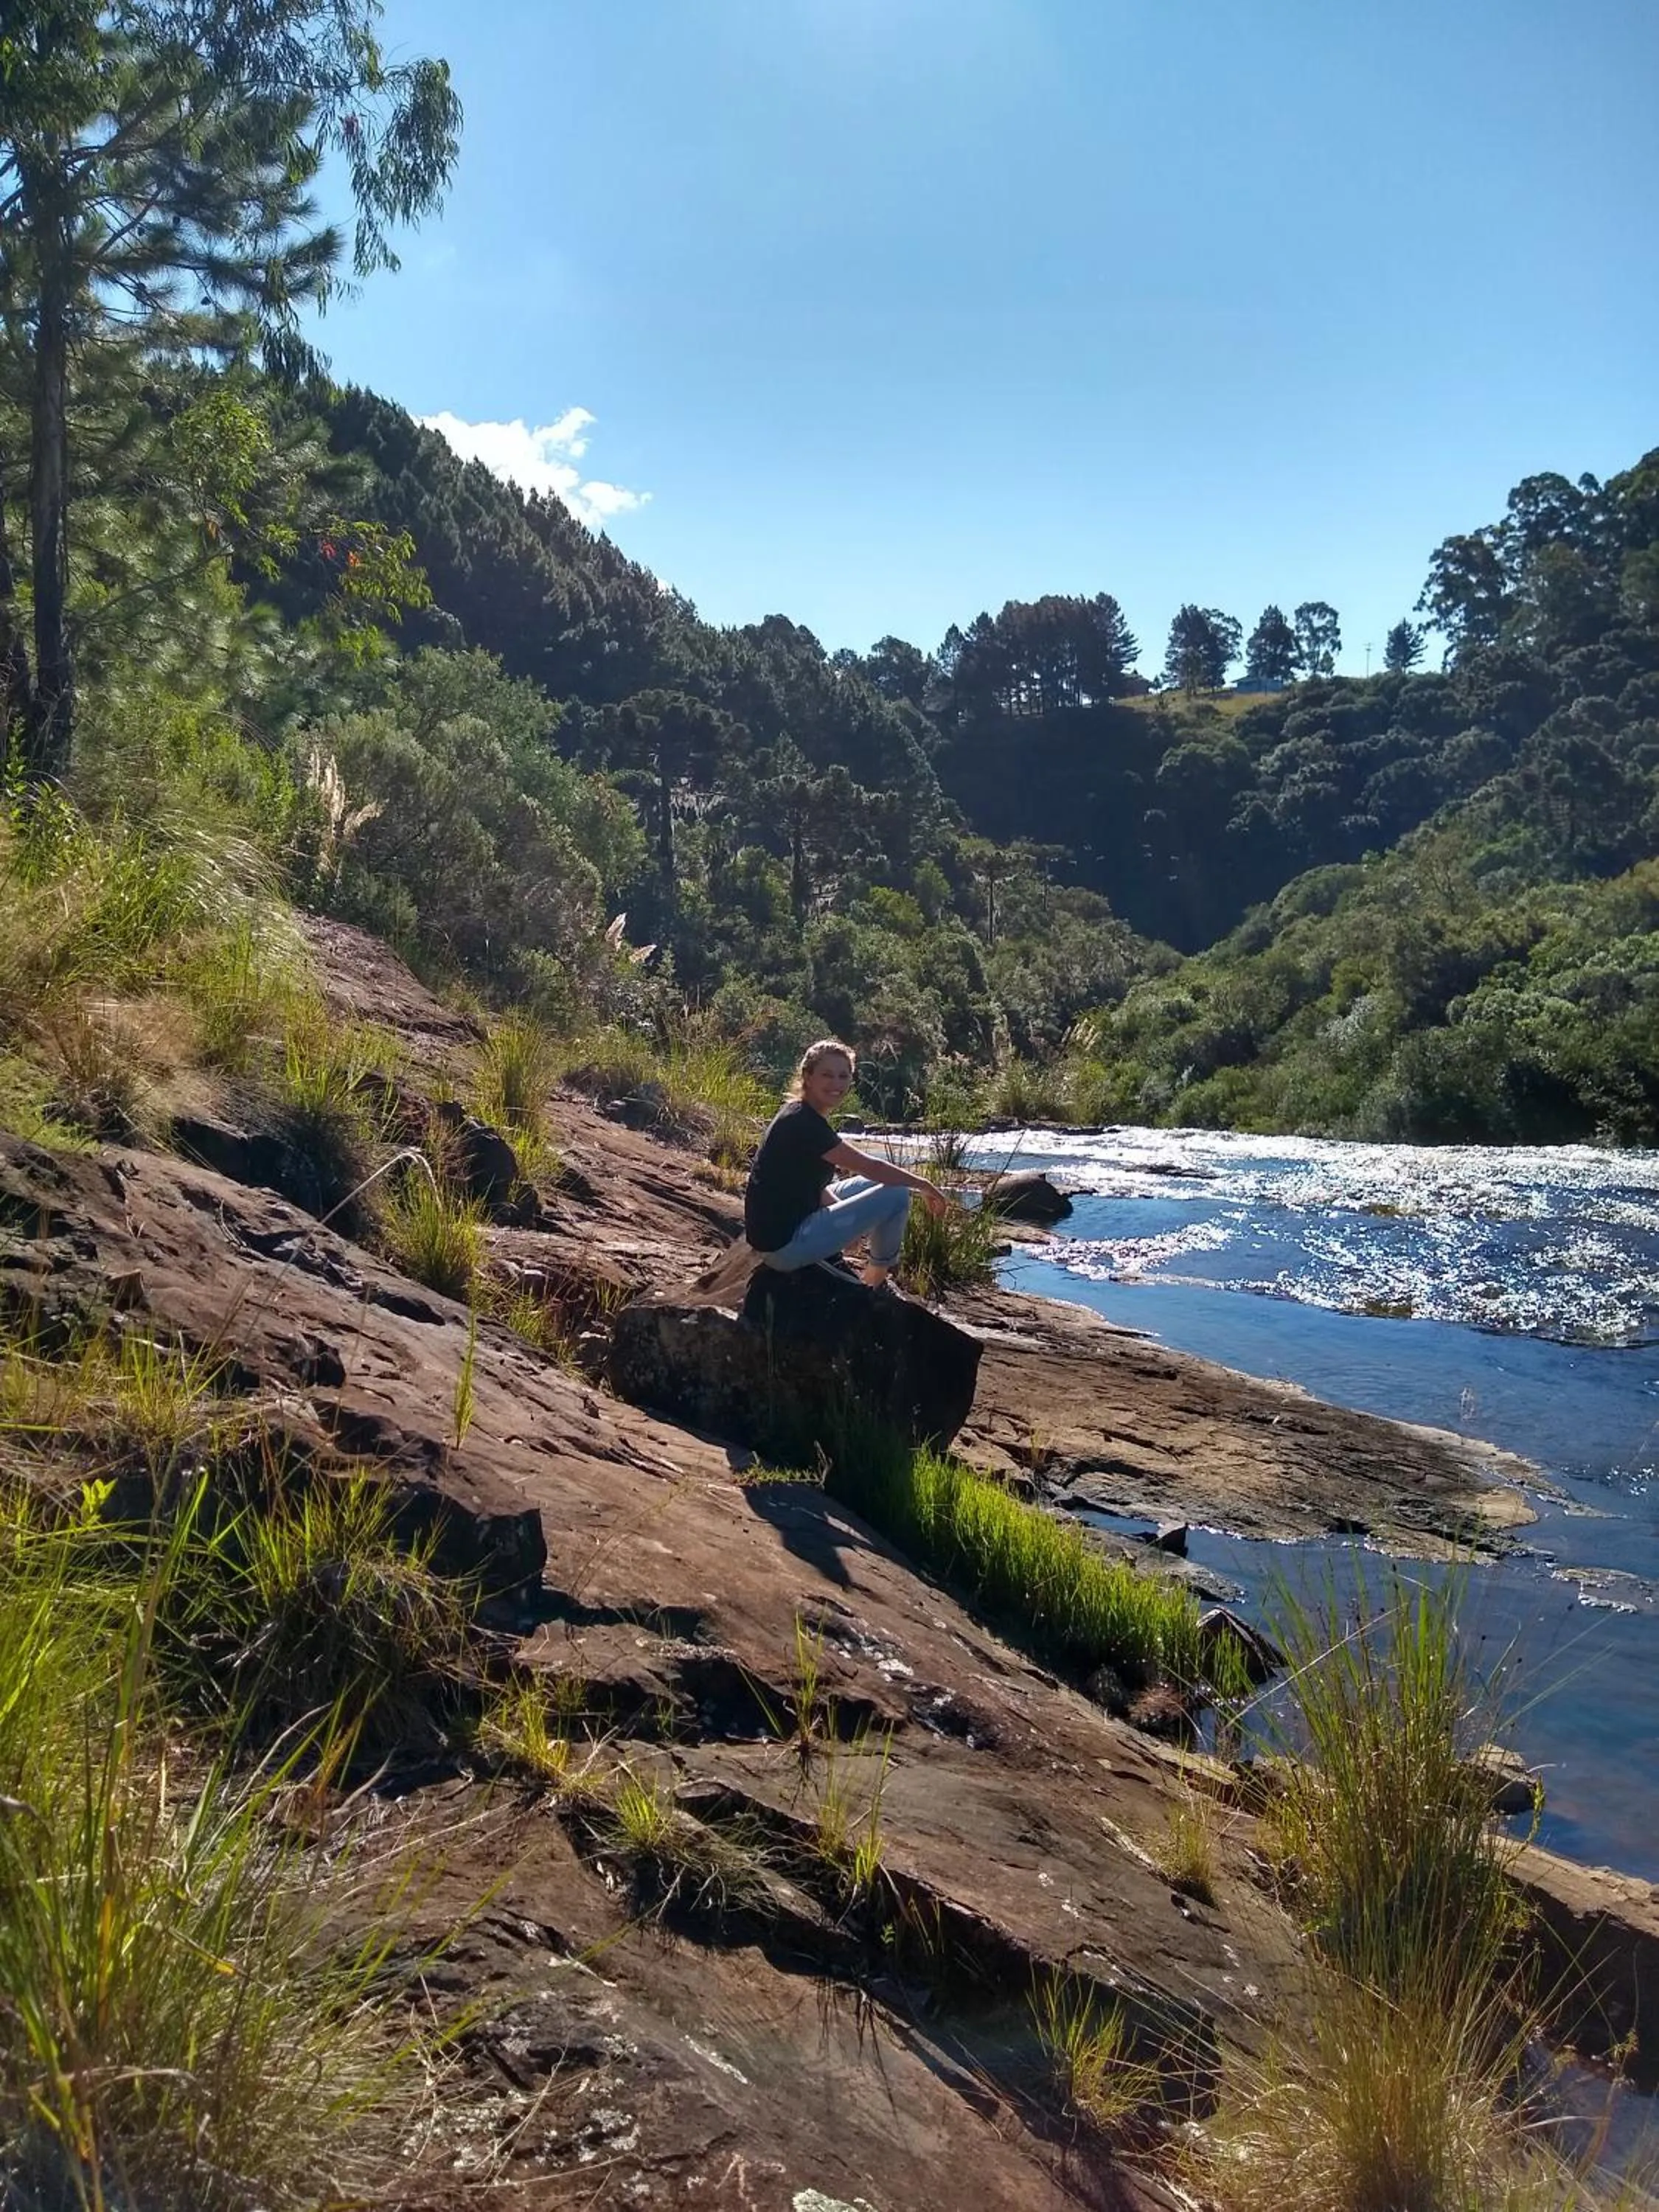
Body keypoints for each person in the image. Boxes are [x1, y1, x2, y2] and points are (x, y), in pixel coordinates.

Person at [743, 1038, 953, 1289]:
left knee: (878, 1183)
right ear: (807, 1077)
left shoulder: (798, 1112)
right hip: (785, 1247)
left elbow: (809, 1184)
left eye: (844, 1076)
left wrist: (847, 1224)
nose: (837, 1084)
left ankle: (870, 1273)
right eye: (827, 1075)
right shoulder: (804, 1124)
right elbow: (871, 1166)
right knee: (897, 1193)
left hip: (788, 1228)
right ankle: (874, 1283)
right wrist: (924, 1184)